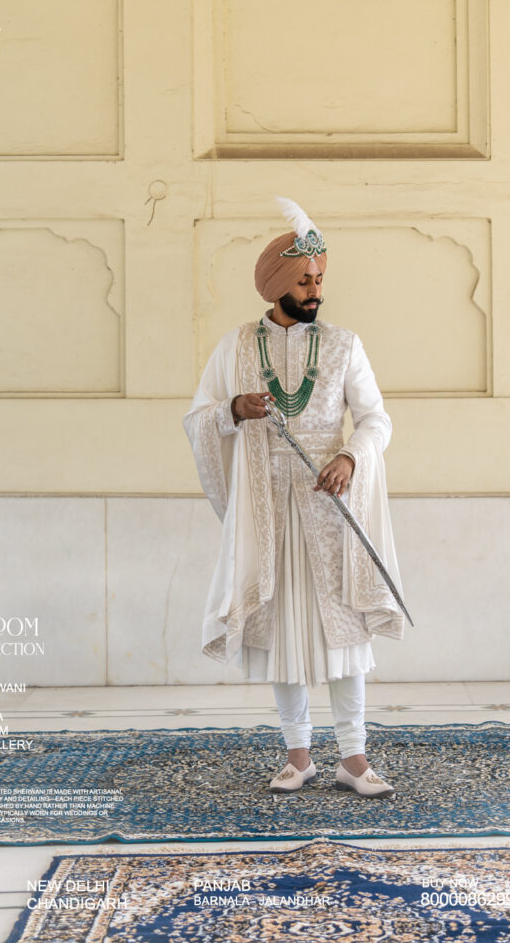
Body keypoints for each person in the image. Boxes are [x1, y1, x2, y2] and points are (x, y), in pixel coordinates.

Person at [183, 197, 405, 798]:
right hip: (268, 511)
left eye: (320, 280)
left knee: (345, 634)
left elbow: (376, 419)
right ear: (277, 283)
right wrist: (234, 408)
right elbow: (198, 417)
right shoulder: (235, 346)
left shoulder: (343, 345)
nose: (315, 291)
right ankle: (298, 756)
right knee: (280, 632)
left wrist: (350, 457)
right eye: (305, 281)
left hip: (331, 506)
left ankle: (354, 759)